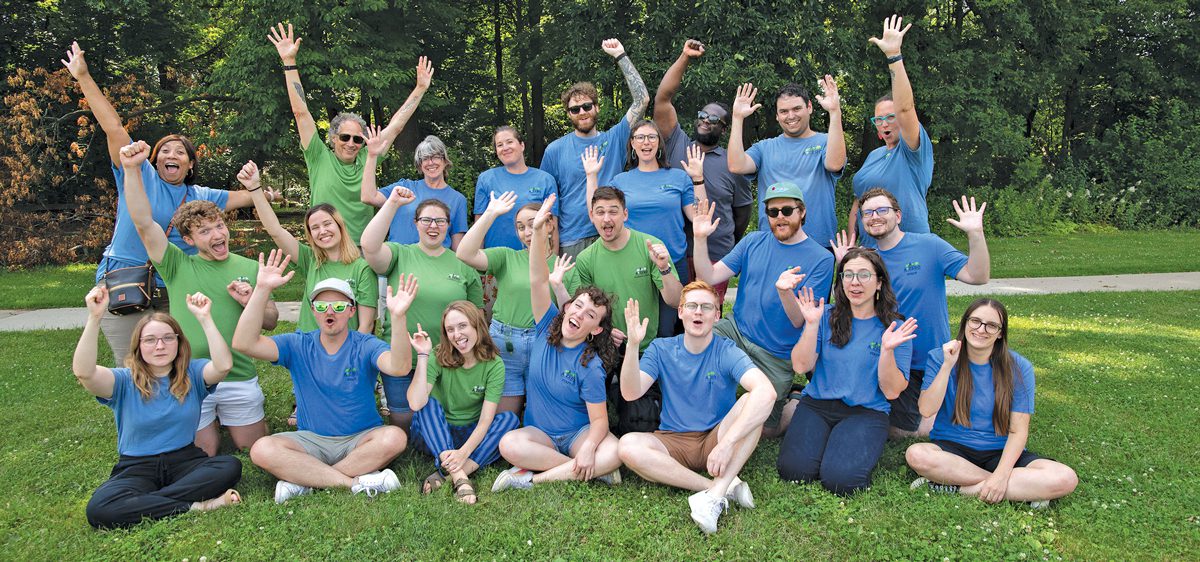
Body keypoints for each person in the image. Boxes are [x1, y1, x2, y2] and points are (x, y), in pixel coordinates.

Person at [61, 41, 268, 367]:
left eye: (180, 152)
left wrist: (263, 192)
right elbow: (113, 127)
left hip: (172, 288)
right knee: (134, 365)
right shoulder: (138, 173)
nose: (172, 155)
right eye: (166, 150)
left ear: (190, 164)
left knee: (175, 363)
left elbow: (246, 197)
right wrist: (84, 77)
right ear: (155, 159)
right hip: (125, 281)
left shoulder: (201, 195)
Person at [119, 141, 279, 457]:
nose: (216, 235)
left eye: (219, 226)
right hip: (191, 377)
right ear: (189, 240)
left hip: (238, 375)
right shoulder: (177, 264)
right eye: (204, 232)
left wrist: (254, 301)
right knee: (201, 452)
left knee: (253, 447)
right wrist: (131, 171)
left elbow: (271, 321)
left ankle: (233, 418)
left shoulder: (250, 267)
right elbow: (142, 221)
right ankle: (207, 423)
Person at [234, 254, 415, 503]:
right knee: (262, 449)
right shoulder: (297, 344)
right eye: (321, 306)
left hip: (361, 439)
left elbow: (400, 366)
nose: (330, 311)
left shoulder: (366, 344)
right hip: (311, 441)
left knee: (395, 437)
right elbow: (244, 343)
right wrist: (262, 289)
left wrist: (398, 317)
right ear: (313, 311)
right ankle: (355, 481)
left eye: (339, 307)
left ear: (351, 310)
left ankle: (305, 480)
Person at [617, 282, 777, 534]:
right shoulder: (661, 349)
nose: (698, 312)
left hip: (717, 438)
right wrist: (633, 346)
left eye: (706, 307)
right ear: (680, 312)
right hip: (673, 441)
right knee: (627, 446)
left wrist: (725, 445)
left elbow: (767, 392)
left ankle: (714, 495)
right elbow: (630, 392)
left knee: (752, 401)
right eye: (691, 306)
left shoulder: (726, 350)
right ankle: (719, 489)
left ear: (717, 315)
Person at [77, 286, 241, 529]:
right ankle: (195, 506)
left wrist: (205, 318)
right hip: (137, 467)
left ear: (178, 343)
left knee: (229, 466)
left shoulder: (193, 374)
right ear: (139, 347)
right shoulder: (123, 381)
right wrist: (95, 317)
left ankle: (140, 504)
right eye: (150, 340)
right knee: (99, 508)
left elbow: (223, 365)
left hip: (184, 461)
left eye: (167, 338)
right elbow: (84, 372)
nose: (160, 346)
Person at [492, 196, 621, 492]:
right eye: (577, 306)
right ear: (567, 306)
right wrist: (537, 231)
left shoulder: (591, 363)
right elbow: (538, 280)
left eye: (590, 315)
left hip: (578, 433)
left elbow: (600, 422)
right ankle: (585, 471)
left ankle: (532, 477)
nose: (578, 314)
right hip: (541, 435)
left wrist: (588, 448)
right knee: (510, 443)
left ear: (595, 329)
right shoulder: (545, 325)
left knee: (613, 450)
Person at [837, 189, 990, 439]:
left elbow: (978, 276)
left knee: (912, 430)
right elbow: (847, 309)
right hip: (884, 360)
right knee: (874, 420)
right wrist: (844, 266)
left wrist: (976, 234)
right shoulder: (864, 259)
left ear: (898, 215)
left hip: (926, 360)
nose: (874, 216)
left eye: (882, 210)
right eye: (867, 213)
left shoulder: (929, 245)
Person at [692, 182, 834, 438]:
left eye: (787, 210)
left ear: (801, 212)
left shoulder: (821, 259)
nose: (779, 217)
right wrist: (700, 239)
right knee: (695, 341)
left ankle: (796, 400)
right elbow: (709, 275)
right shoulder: (753, 241)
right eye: (772, 211)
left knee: (764, 431)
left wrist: (784, 292)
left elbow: (799, 321)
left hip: (776, 353)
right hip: (736, 332)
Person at [269, 23, 433, 244]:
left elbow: (396, 126)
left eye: (357, 139)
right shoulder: (318, 156)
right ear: (333, 138)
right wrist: (289, 62)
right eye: (345, 137)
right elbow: (301, 113)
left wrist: (420, 88)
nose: (351, 143)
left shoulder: (369, 157)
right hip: (325, 245)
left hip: (362, 248)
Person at [906, 299, 1078, 507]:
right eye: (975, 321)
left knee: (1065, 478)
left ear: (1000, 333)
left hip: (1000, 452)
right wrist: (947, 366)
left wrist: (1002, 473)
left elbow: (1018, 431)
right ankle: (1018, 489)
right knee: (917, 455)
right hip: (951, 450)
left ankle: (957, 488)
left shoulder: (1019, 367)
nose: (981, 329)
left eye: (991, 325)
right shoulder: (940, 357)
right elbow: (926, 409)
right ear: (965, 323)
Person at [776, 248, 917, 495]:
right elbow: (801, 366)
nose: (855, 282)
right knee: (793, 471)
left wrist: (886, 350)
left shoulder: (895, 328)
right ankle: (802, 409)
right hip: (818, 404)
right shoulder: (826, 315)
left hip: (866, 411)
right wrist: (810, 325)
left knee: (842, 481)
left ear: (879, 282)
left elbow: (892, 391)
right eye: (848, 275)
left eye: (864, 275)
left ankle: (841, 444)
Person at [362, 192, 483, 431]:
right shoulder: (399, 254)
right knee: (403, 423)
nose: (433, 226)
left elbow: (477, 319)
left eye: (440, 221)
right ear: (415, 223)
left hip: (446, 359)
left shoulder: (463, 264)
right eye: (426, 220)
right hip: (401, 355)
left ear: (449, 226)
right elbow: (369, 245)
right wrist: (393, 203)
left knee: (438, 419)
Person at [456, 193, 573, 414]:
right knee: (504, 419)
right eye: (521, 227)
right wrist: (490, 213)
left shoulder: (564, 266)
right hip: (505, 343)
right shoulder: (507, 257)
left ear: (549, 225)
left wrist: (558, 285)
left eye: (533, 224)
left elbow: (570, 313)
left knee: (542, 414)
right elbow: (464, 253)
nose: (527, 232)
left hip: (545, 343)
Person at [653, 38, 753, 294]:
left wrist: (725, 240)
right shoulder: (676, 143)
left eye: (714, 119)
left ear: (724, 128)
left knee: (704, 317)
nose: (705, 121)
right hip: (674, 252)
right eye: (702, 116)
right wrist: (685, 57)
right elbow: (663, 99)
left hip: (716, 256)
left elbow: (742, 213)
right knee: (673, 318)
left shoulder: (733, 162)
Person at [238, 161, 378, 334]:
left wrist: (351, 358)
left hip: (343, 353)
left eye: (327, 224)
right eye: (315, 228)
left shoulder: (362, 268)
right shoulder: (310, 260)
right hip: (305, 349)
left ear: (340, 226)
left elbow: (366, 326)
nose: (323, 231)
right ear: (310, 235)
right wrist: (254, 188)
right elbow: (275, 231)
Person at [540, 39, 649, 258]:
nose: (582, 112)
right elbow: (548, 203)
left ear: (597, 107)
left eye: (587, 106)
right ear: (568, 114)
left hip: (614, 233)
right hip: (573, 240)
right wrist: (551, 245)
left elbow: (642, 99)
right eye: (575, 109)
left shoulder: (615, 138)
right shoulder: (555, 150)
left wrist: (620, 55)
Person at [407, 302, 521, 504]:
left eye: (462, 326)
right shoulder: (437, 355)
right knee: (427, 404)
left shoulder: (494, 365)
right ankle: (460, 478)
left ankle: (447, 473)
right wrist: (423, 356)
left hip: (468, 435)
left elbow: (486, 420)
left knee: (509, 420)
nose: (456, 335)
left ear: (477, 325)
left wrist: (464, 452)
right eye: (450, 329)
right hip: (433, 433)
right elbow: (416, 404)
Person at [726, 79, 847, 249]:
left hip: (817, 243)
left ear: (809, 107)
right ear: (777, 116)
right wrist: (737, 118)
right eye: (783, 111)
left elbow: (834, 165)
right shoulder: (764, 148)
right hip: (773, 242)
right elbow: (736, 166)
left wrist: (835, 111)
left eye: (797, 108)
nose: (791, 116)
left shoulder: (828, 141)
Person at [850, 15, 935, 244]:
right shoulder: (873, 156)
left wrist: (893, 56)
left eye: (891, 116)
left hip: (909, 246)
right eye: (879, 119)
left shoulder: (912, 150)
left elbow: (906, 109)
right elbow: (858, 203)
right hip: (870, 251)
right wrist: (852, 243)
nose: (885, 122)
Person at [569, 187, 682, 353]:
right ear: (592, 216)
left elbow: (677, 300)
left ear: (625, 214)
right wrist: (605, 331)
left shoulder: (649, 246)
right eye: (600, 212)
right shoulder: (585, 259)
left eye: (613, 212)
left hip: (646, 347)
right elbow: (585, 310)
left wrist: (664, 269)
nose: (606, 219)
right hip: (605, 346)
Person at [362, 132, 469, 249]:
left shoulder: (458, 199)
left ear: (445, 161)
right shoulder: (403, 189)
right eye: (425, 158)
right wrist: (372, 156)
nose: (431, 162)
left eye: (436, 157)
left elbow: (457, 247)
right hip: (399, 261)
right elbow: (368, 197)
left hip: (434, 264)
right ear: (419, 165)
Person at [472, 127, 559, 250]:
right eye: (500, 145)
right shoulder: (486, 179)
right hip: (495, 260)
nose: (505, 148)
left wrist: (553, 261)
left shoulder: (545, 179)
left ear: (522, 145)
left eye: (509, 142)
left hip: (534, 258)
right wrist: (477, 264)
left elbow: (553, 226)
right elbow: (479, 226)